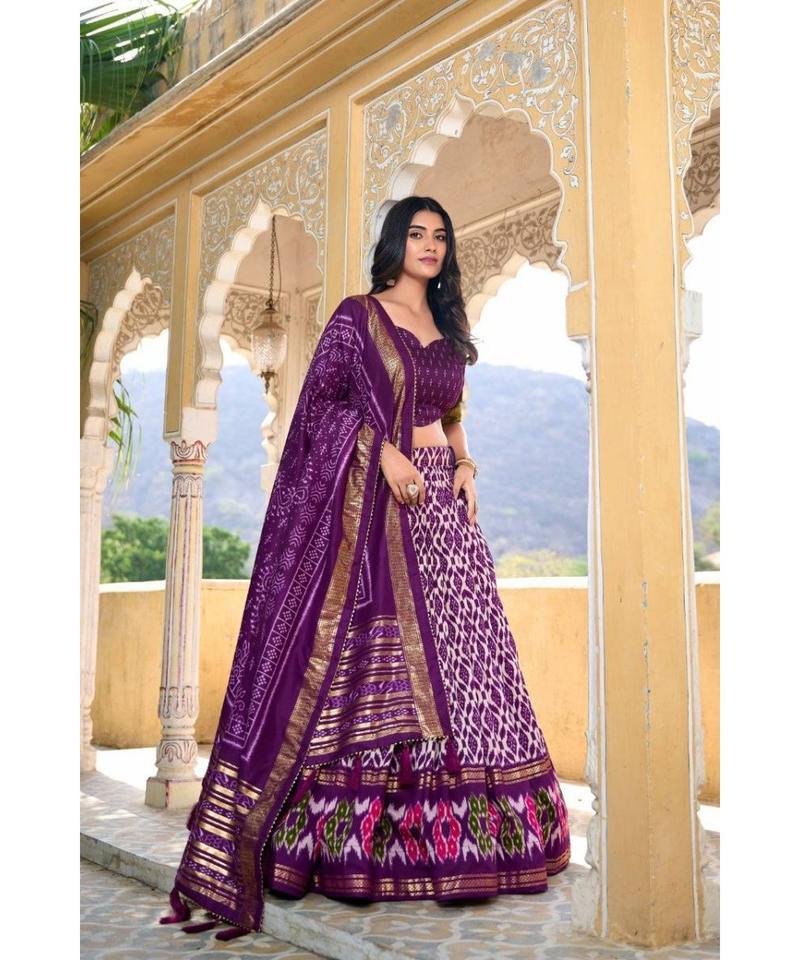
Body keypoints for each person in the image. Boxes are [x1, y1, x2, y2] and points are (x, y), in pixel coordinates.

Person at [161, 196, 571, 941]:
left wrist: (466, 462)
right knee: (370, 667)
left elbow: (451, 412)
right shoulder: (358, 317)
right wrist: (379, 451)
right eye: (417, 234)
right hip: (379, 509)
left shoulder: (447, 324)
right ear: (394, 243)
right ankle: (353, 846)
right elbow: (318, 411)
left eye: (440, 236)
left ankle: (479, 841)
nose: (430, 245)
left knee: (469, 666)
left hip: (444, 509)